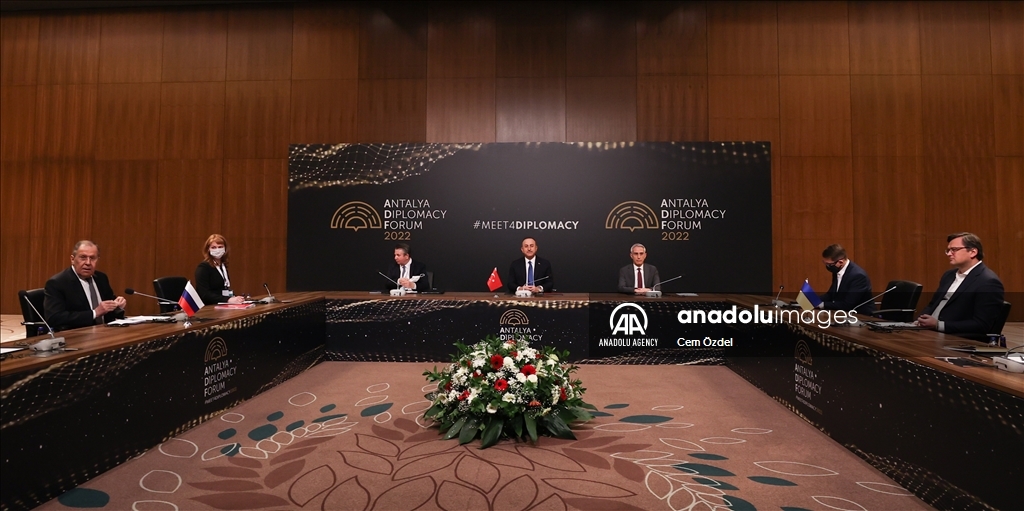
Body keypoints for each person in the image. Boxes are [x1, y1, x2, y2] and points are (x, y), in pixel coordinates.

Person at [916, 232, 1004, 340]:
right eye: (948, 250)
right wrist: (920, 320)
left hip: (955, 338)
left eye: (954, 249)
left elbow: (981, 324)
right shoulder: (949, 275)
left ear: (972, 252)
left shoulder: (988, 282)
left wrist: (939, 325)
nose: (949, 254)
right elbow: (932, 304)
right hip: (928, 332)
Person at [43, 240, 126, 331]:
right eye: (83, 257)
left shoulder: (101, 278)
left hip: (106, 332)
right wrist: (95, 313)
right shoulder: (58, 283)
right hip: (78, 335)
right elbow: (54, 318)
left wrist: (117, 306)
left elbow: (108, 310)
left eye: (92, 258)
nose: (88, 263)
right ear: (72, 259)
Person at [818, 244, 874, 314]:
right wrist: (814, 301)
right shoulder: (837, 270)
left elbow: (847, 305)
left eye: (829, 264)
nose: (827, 266)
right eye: (825, 263)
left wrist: (821, 305)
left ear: (840, 262)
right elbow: (830, 295)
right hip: (843, 313)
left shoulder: (858, 276)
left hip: (861, 316)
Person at [195, 234, 245, 305]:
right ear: (208, 249)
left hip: (221, 304)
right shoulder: (203, 267)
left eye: (220, 247)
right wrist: (228, 300)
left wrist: (234, 298)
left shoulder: (223, 266)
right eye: (213, 247)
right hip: (209, 306)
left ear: (225, 248)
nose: (217, 250)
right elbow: (204, 294)